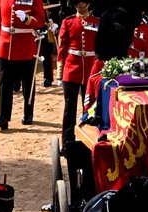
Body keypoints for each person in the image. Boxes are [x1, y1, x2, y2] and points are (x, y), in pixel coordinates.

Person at [0, 0, 46, 128]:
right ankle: (3, 117)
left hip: (25, 44)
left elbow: (40, 21)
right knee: (5, 82)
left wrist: (26, 19)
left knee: (27, 81)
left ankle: (28, 114)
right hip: (6, 44)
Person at [57, 0, 99, 149]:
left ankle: (87, 139)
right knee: (70, 107)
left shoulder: (96, 22)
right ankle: (67, 142)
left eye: (84, 1)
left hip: (91, 70)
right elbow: (62, 48)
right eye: (78, 2)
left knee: (89, 108)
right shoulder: (68, 22)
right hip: (71, 69)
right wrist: (60, 71)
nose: (81, 4)